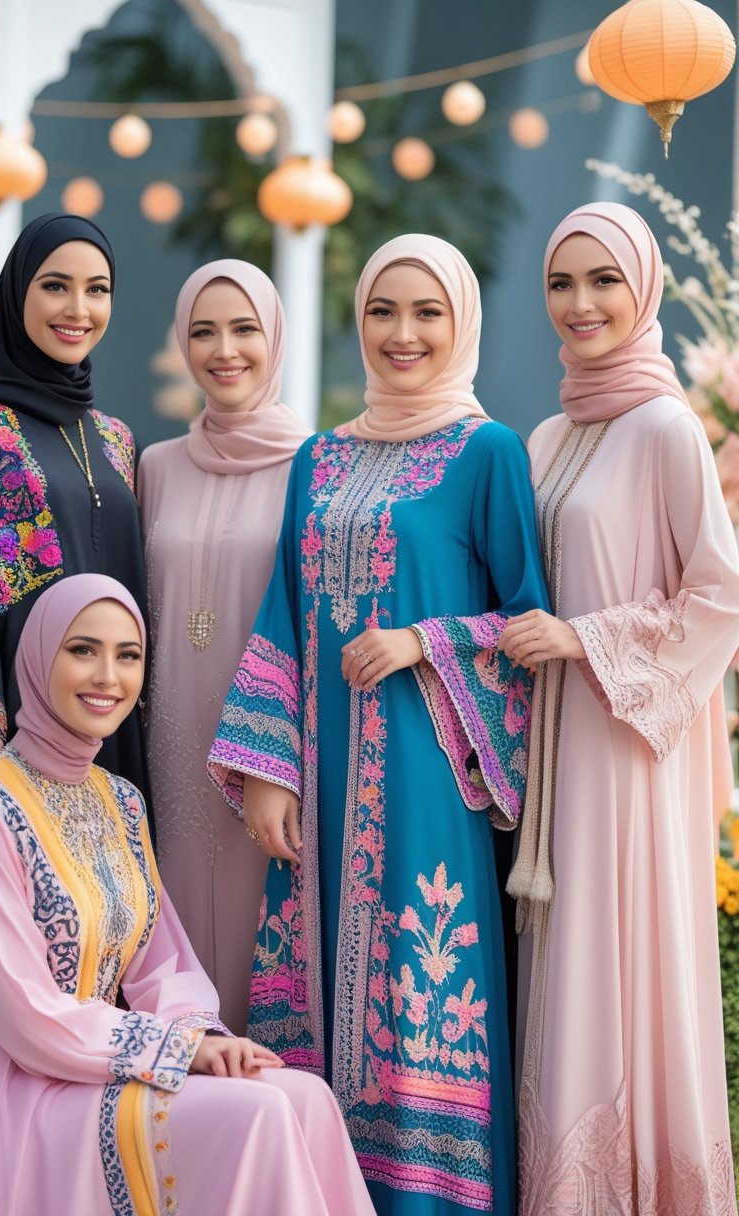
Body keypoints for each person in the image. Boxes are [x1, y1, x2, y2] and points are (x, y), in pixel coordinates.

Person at [208, 234, 550, 1215]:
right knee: (310, 1000)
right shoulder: (318, 456)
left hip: (428, 788)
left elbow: (526, 622)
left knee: (419, 984)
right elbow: (281, 605)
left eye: (426, 312)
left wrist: (421, 642)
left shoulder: (490, 453)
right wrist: (266, 767)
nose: (402, 333)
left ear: (460, 324)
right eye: (381, 311)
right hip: (315, 791)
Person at [0, 573, 375, 1216]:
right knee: (262, 1114)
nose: (107, 676)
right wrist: (177, 1052)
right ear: (39, 659)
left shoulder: (121, 802)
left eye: (127, 656)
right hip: (10, 1083)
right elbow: (22, 1011)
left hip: (98, 1062)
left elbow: (163, 966)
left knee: (306, 1098)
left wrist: (202, 1037)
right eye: (82, 650)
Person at [500, 202, 739, 1213]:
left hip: (627, 750)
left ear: (640, 289)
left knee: (615, 953)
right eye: (563, 282)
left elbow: (718, 593)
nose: (582, 302)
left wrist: (585, 637)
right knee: (559, 965)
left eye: (604, 280)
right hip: (551, 749)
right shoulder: (548, 431)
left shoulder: (666, 425)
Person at [0, 214, 148, 1167]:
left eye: (96, 290)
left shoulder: (120, 440)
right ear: (18, 295)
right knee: (7, 966)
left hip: (106, 738)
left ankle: (94, 1167)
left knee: (102, 942)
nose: (78, 309)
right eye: (56, 286)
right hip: (9, 752)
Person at [139, 260, 308, 1033]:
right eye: (203, 331)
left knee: (260, 939)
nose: (224, 349)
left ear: (273, 336)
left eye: (244, 329)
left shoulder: (315, 463)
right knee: (167, 931)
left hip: (265, 756)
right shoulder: (155, 467)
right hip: (168, 743)